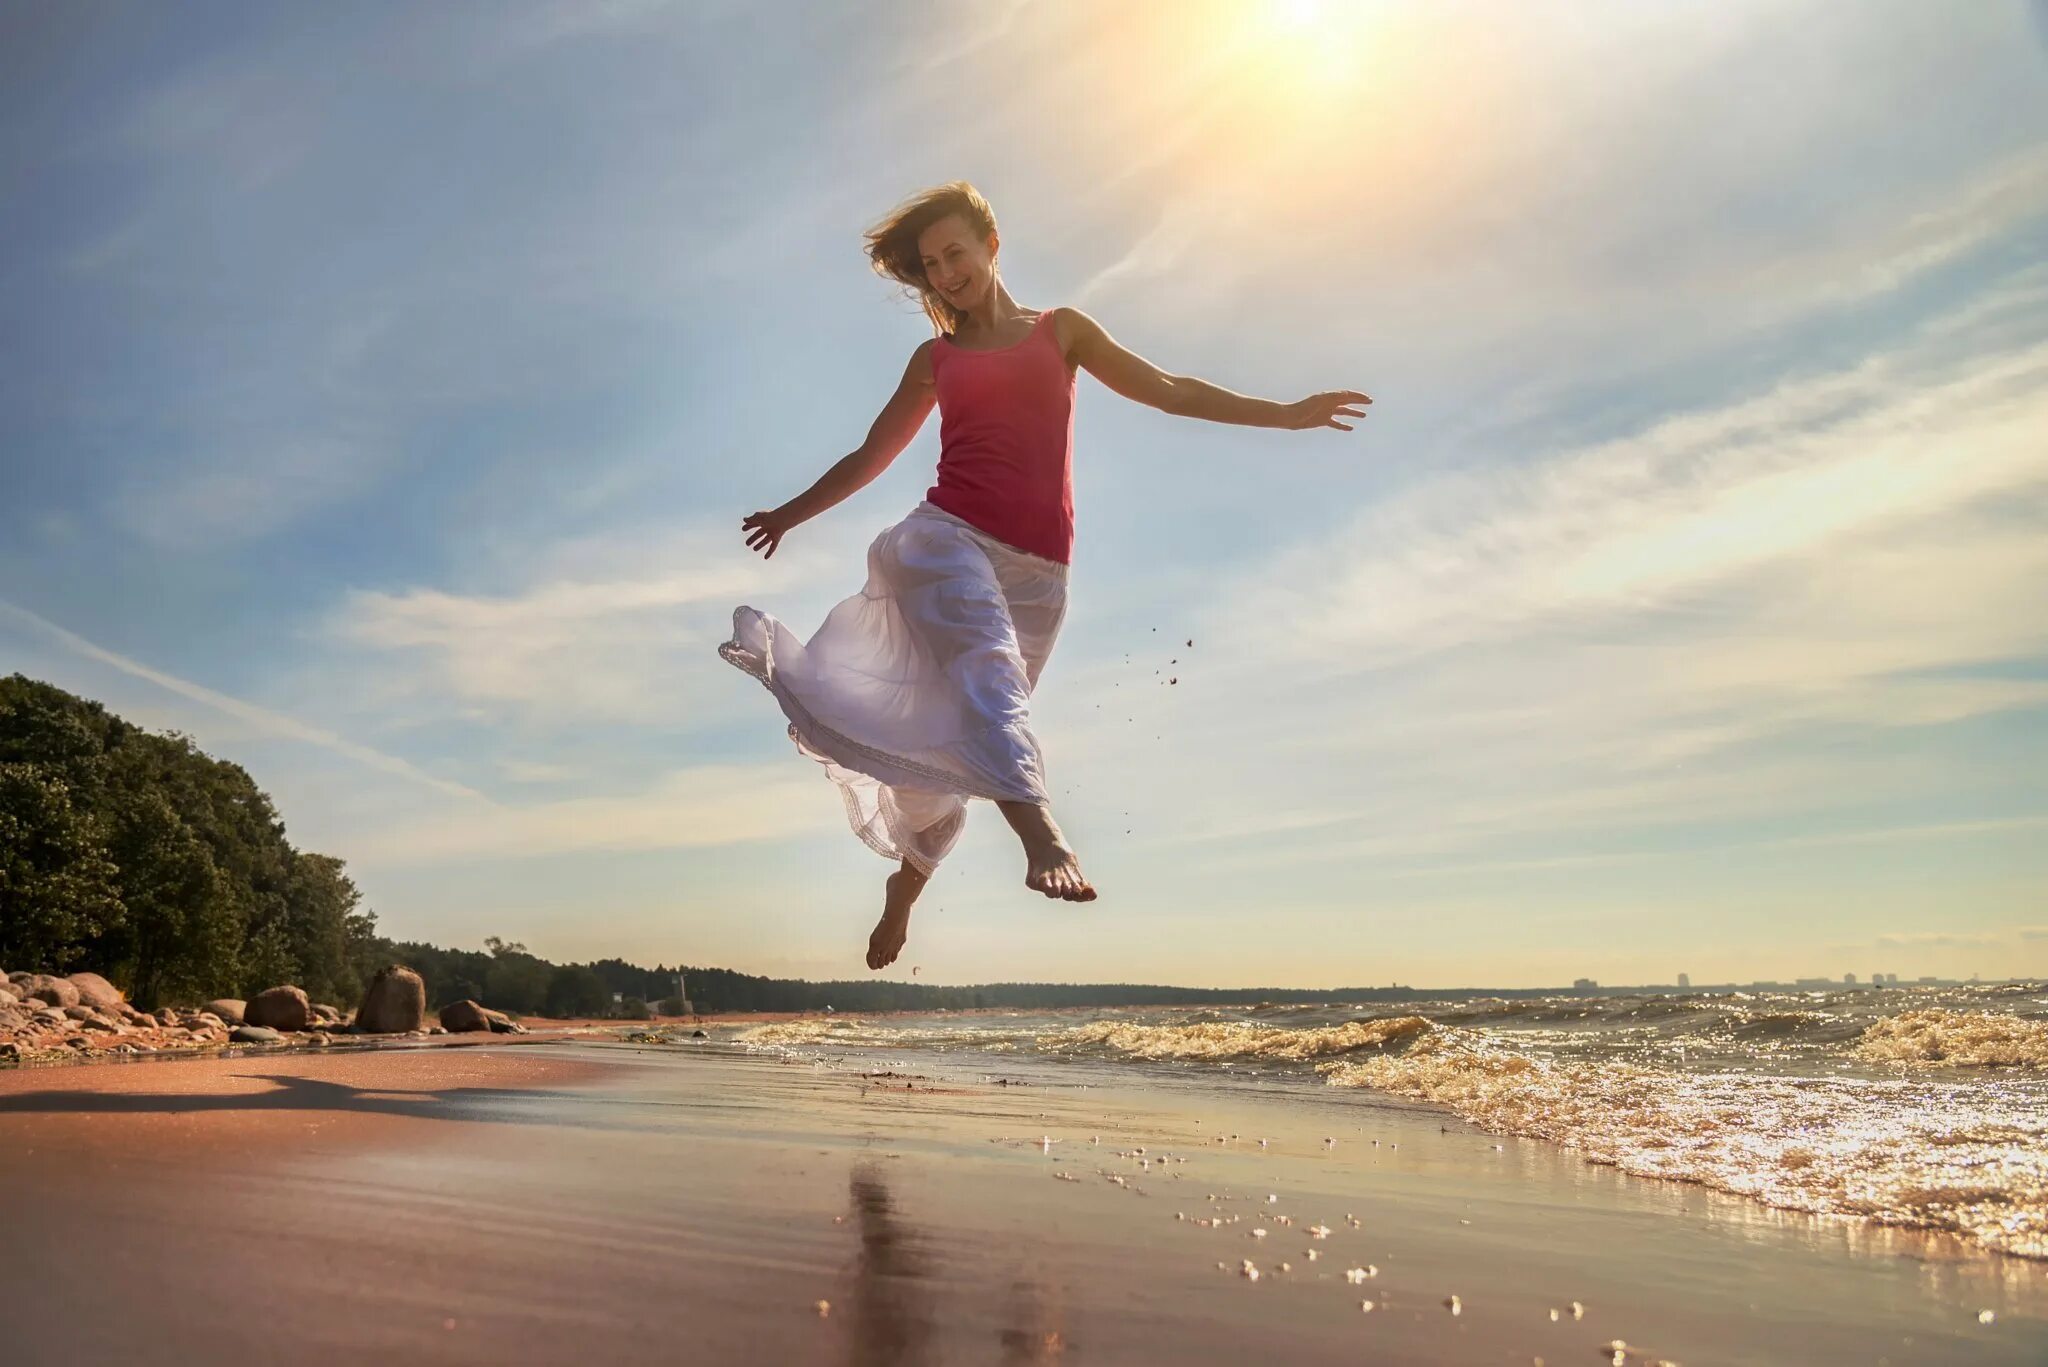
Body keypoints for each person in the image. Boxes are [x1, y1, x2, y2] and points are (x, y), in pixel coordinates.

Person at [721, 181, 1369, 971]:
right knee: (988, 677)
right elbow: (871, 456)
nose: (946, 274)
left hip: (1038, 576)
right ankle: (1042, 832)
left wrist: (1285, 413)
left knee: (959, 744)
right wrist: (790, 513)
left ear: (992, 246)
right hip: (942, 540)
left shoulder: (1061, 332)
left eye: (956, 254)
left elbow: (1168, 392)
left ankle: (907, 883)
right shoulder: (936, 359)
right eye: (930, 266)